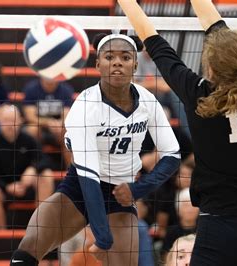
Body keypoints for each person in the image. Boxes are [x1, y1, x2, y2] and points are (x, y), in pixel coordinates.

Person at [118, 0, 237, 264]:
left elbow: (154, 42)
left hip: (219, 229)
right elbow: (218, 30)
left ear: (212, 68)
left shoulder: (201, 99)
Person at [10, 33, 181, 266]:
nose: (117, 62)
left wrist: (138, 189)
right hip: (80, 186)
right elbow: (89, 176)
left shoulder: (148, 101)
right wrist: (102, 235)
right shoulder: (85, 106)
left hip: (120, 193)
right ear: (98, 64)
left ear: (135, 64)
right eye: (109, 56)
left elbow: (172, 154)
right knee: (29, 247)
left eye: (125, 57)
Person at [0, 105, 54, 229]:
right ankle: (3, 235)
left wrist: (33, 168)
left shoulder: (29, 140)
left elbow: (45, 160)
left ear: (21, 121)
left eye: (13, 120)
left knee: (46, 174)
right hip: (5, 189)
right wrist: (7, 187)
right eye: (6, 120)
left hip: (27, 186)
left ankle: (40, 228)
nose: (10, 125)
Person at [22, 76, 75, 168]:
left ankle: (72, 173)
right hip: (40, 128)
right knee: (31, 130)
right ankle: (33, 168)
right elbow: (30, 116)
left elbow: (67, 115)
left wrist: (58, 124)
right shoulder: (31, 88)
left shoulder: (66, 90)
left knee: (68, 132)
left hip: (58, 129)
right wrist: (48, 122)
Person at [161, 188, 199, 260]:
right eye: (186, 205)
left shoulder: (203, 230)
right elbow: (165, 256)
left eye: (192, 205)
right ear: (178, 209)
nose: (189, 209)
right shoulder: (171, 231)